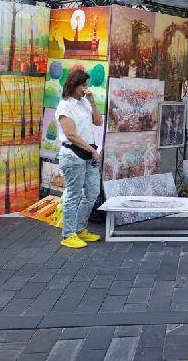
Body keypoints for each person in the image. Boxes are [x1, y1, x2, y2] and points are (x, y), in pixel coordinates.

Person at [56, 68, 104, 249]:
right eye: (83, 85)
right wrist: (91, 150)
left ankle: (80, 228)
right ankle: (68, 234)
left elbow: (98, 122)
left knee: (92, 192)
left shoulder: (84, 103)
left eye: (87, 85)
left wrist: (92, 101)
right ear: (74, 85)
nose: (86, 88)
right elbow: (70, 134)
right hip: (73, 154)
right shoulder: (65, 106)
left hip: (88, 154)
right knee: (74, 194)